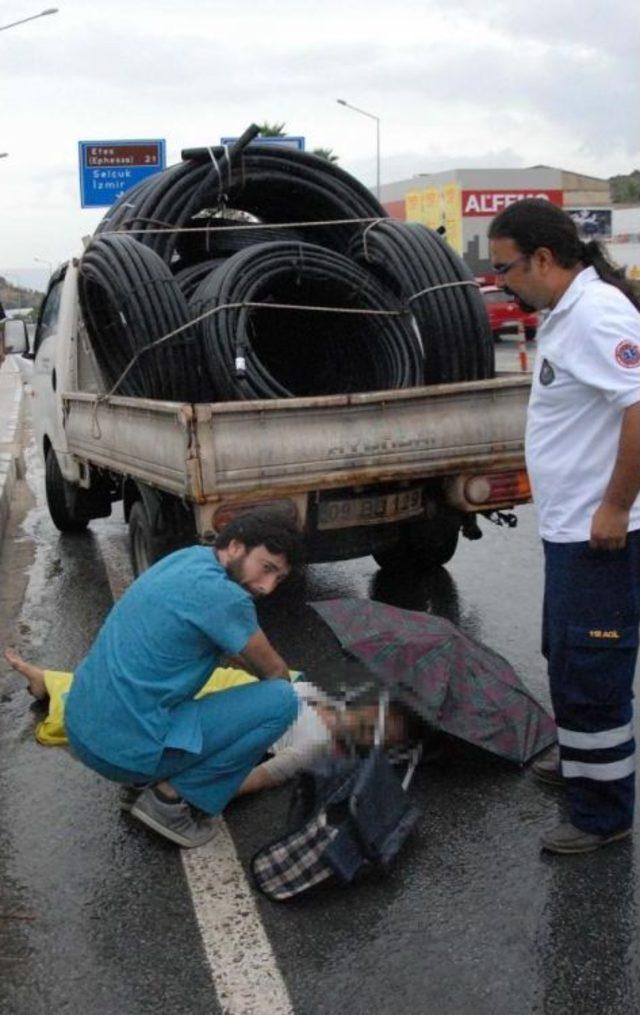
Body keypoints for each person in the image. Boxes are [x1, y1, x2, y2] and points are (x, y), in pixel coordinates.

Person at [488, 198, 640, 855]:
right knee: (568, 654)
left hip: (599, 533)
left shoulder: (597, 314)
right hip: (570, 532)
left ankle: (603, 815)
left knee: (593, 670)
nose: (500, 282)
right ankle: (583, 766)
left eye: (505, 268)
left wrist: (614, 503)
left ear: (544, 259)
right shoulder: (566, 313)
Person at [48, 509, 306, 849]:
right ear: (237, 547)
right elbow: (274, 673)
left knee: (178, 685)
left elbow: (218, 645)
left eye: (280, 578)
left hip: (81, 729)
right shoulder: (225, 596)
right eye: (267, 567)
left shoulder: (189, 559)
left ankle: (141, 781)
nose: (267, 587)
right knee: (281, 702)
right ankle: (169, 800)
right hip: (119, 751)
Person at [3, 650, 415, 799]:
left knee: (135, 707)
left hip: (232, 711)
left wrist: (181, 787)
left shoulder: (316, 747)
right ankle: (52, 683)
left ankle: (52, 687)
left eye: (376, 729)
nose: (371, 720)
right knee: (146, 683)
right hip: (242, 686)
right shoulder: (331, 702)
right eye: (378, 714)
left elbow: (257, 779)